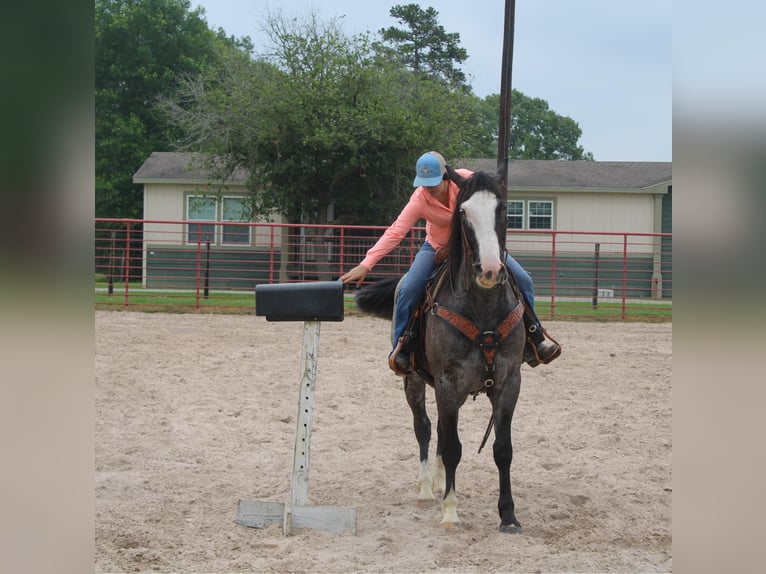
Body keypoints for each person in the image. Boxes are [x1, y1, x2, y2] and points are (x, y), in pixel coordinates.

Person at [340, 151, 561, 375]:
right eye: (424, 184)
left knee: (524, 279)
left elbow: (490, 196)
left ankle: (534, 337)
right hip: (436, 247)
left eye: (433, 184)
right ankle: (402, 347)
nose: (428, 189)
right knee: (407, 288)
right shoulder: (420, 199)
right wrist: (367, 264)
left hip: (474, 247)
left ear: (446, 178)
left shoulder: (467, 183)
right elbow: (397, 231)